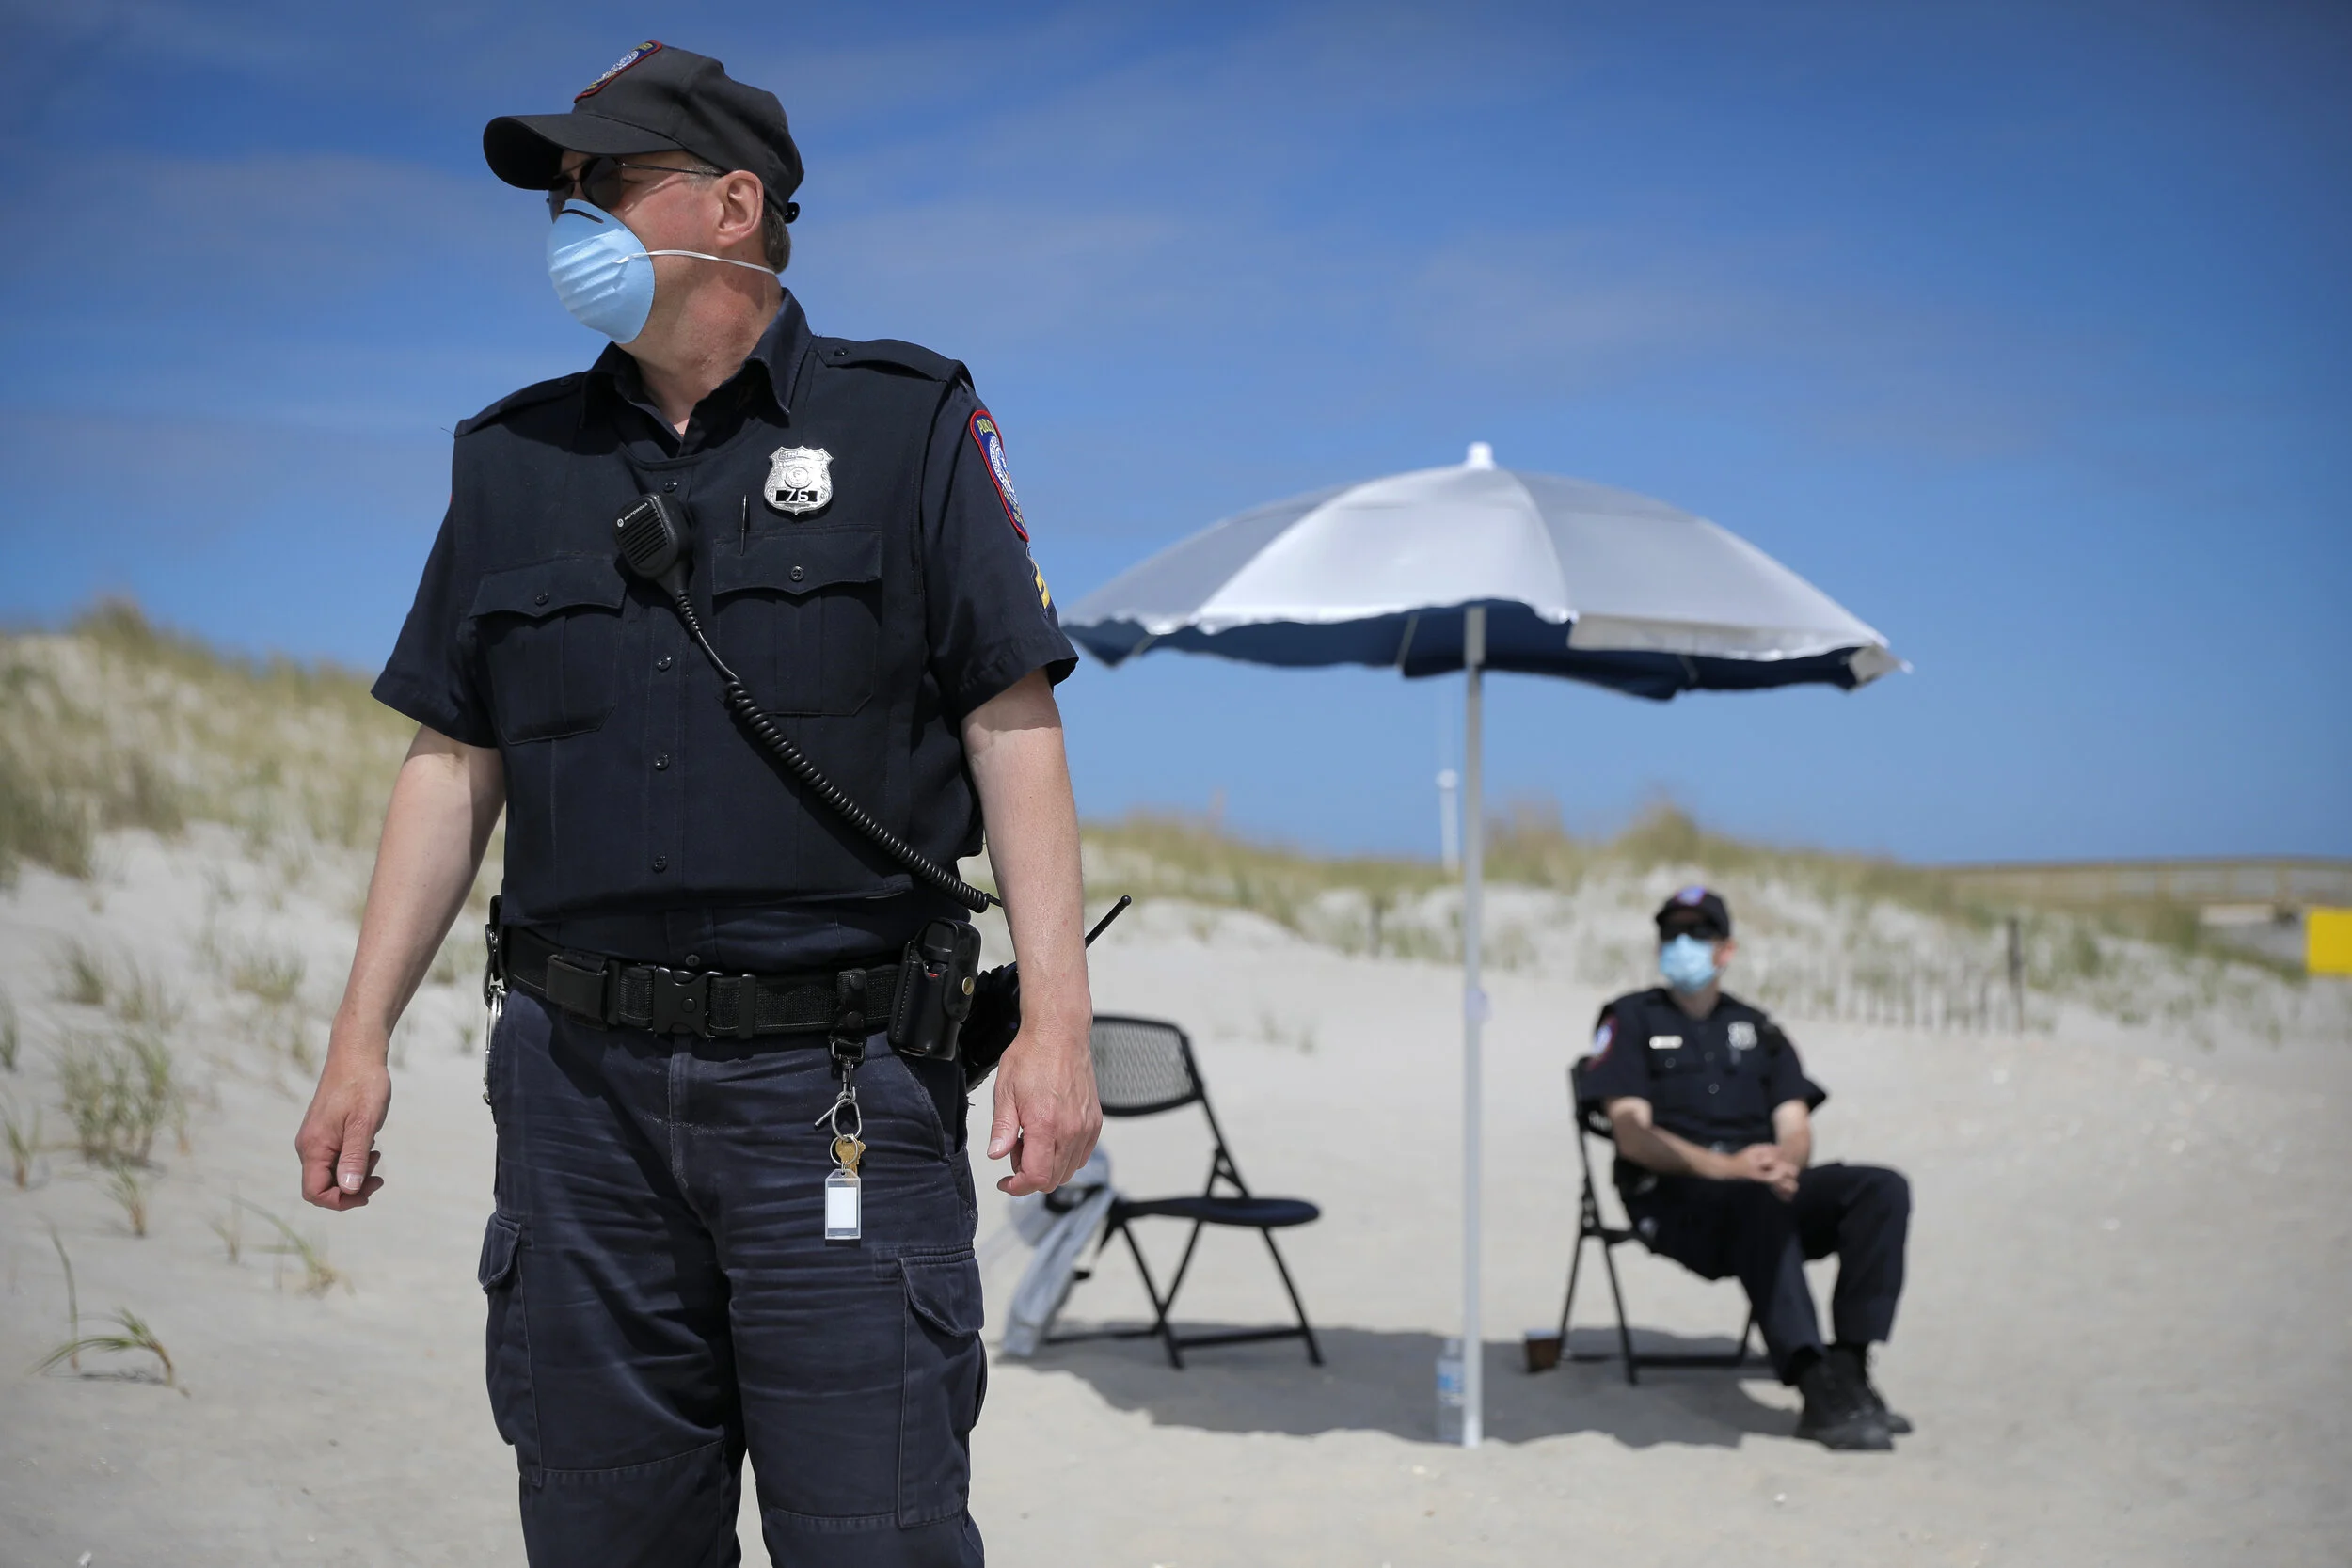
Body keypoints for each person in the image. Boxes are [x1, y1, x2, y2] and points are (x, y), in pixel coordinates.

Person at [293, 40, 1100, 1565]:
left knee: (874, 1534)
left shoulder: (910, 423)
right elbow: (452, 761)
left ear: (734, 207)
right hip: (576, 1101)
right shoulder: (512, 459)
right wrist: (357, 1040)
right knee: (604, 1534)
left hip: (839, 1090)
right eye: (560, 191)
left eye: (604, 182)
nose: (571, 218)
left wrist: (1055, 1024)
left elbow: (1013, 721)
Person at [1578, 886, 1911, 1451]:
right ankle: (1812, 1381)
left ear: (1726, 950)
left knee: (1881, 1190)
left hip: (1761, 1193)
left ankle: (1849, 1368)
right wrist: (1726, 1167)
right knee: (1755, 1200)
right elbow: (1632, 1133)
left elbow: (1794, 1122)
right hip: (1678, 1200)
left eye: (1698, 933)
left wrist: (1784, 1163)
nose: (1682, 944)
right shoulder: (1631, 1019)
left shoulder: (1757, 1028)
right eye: (1671, 933)